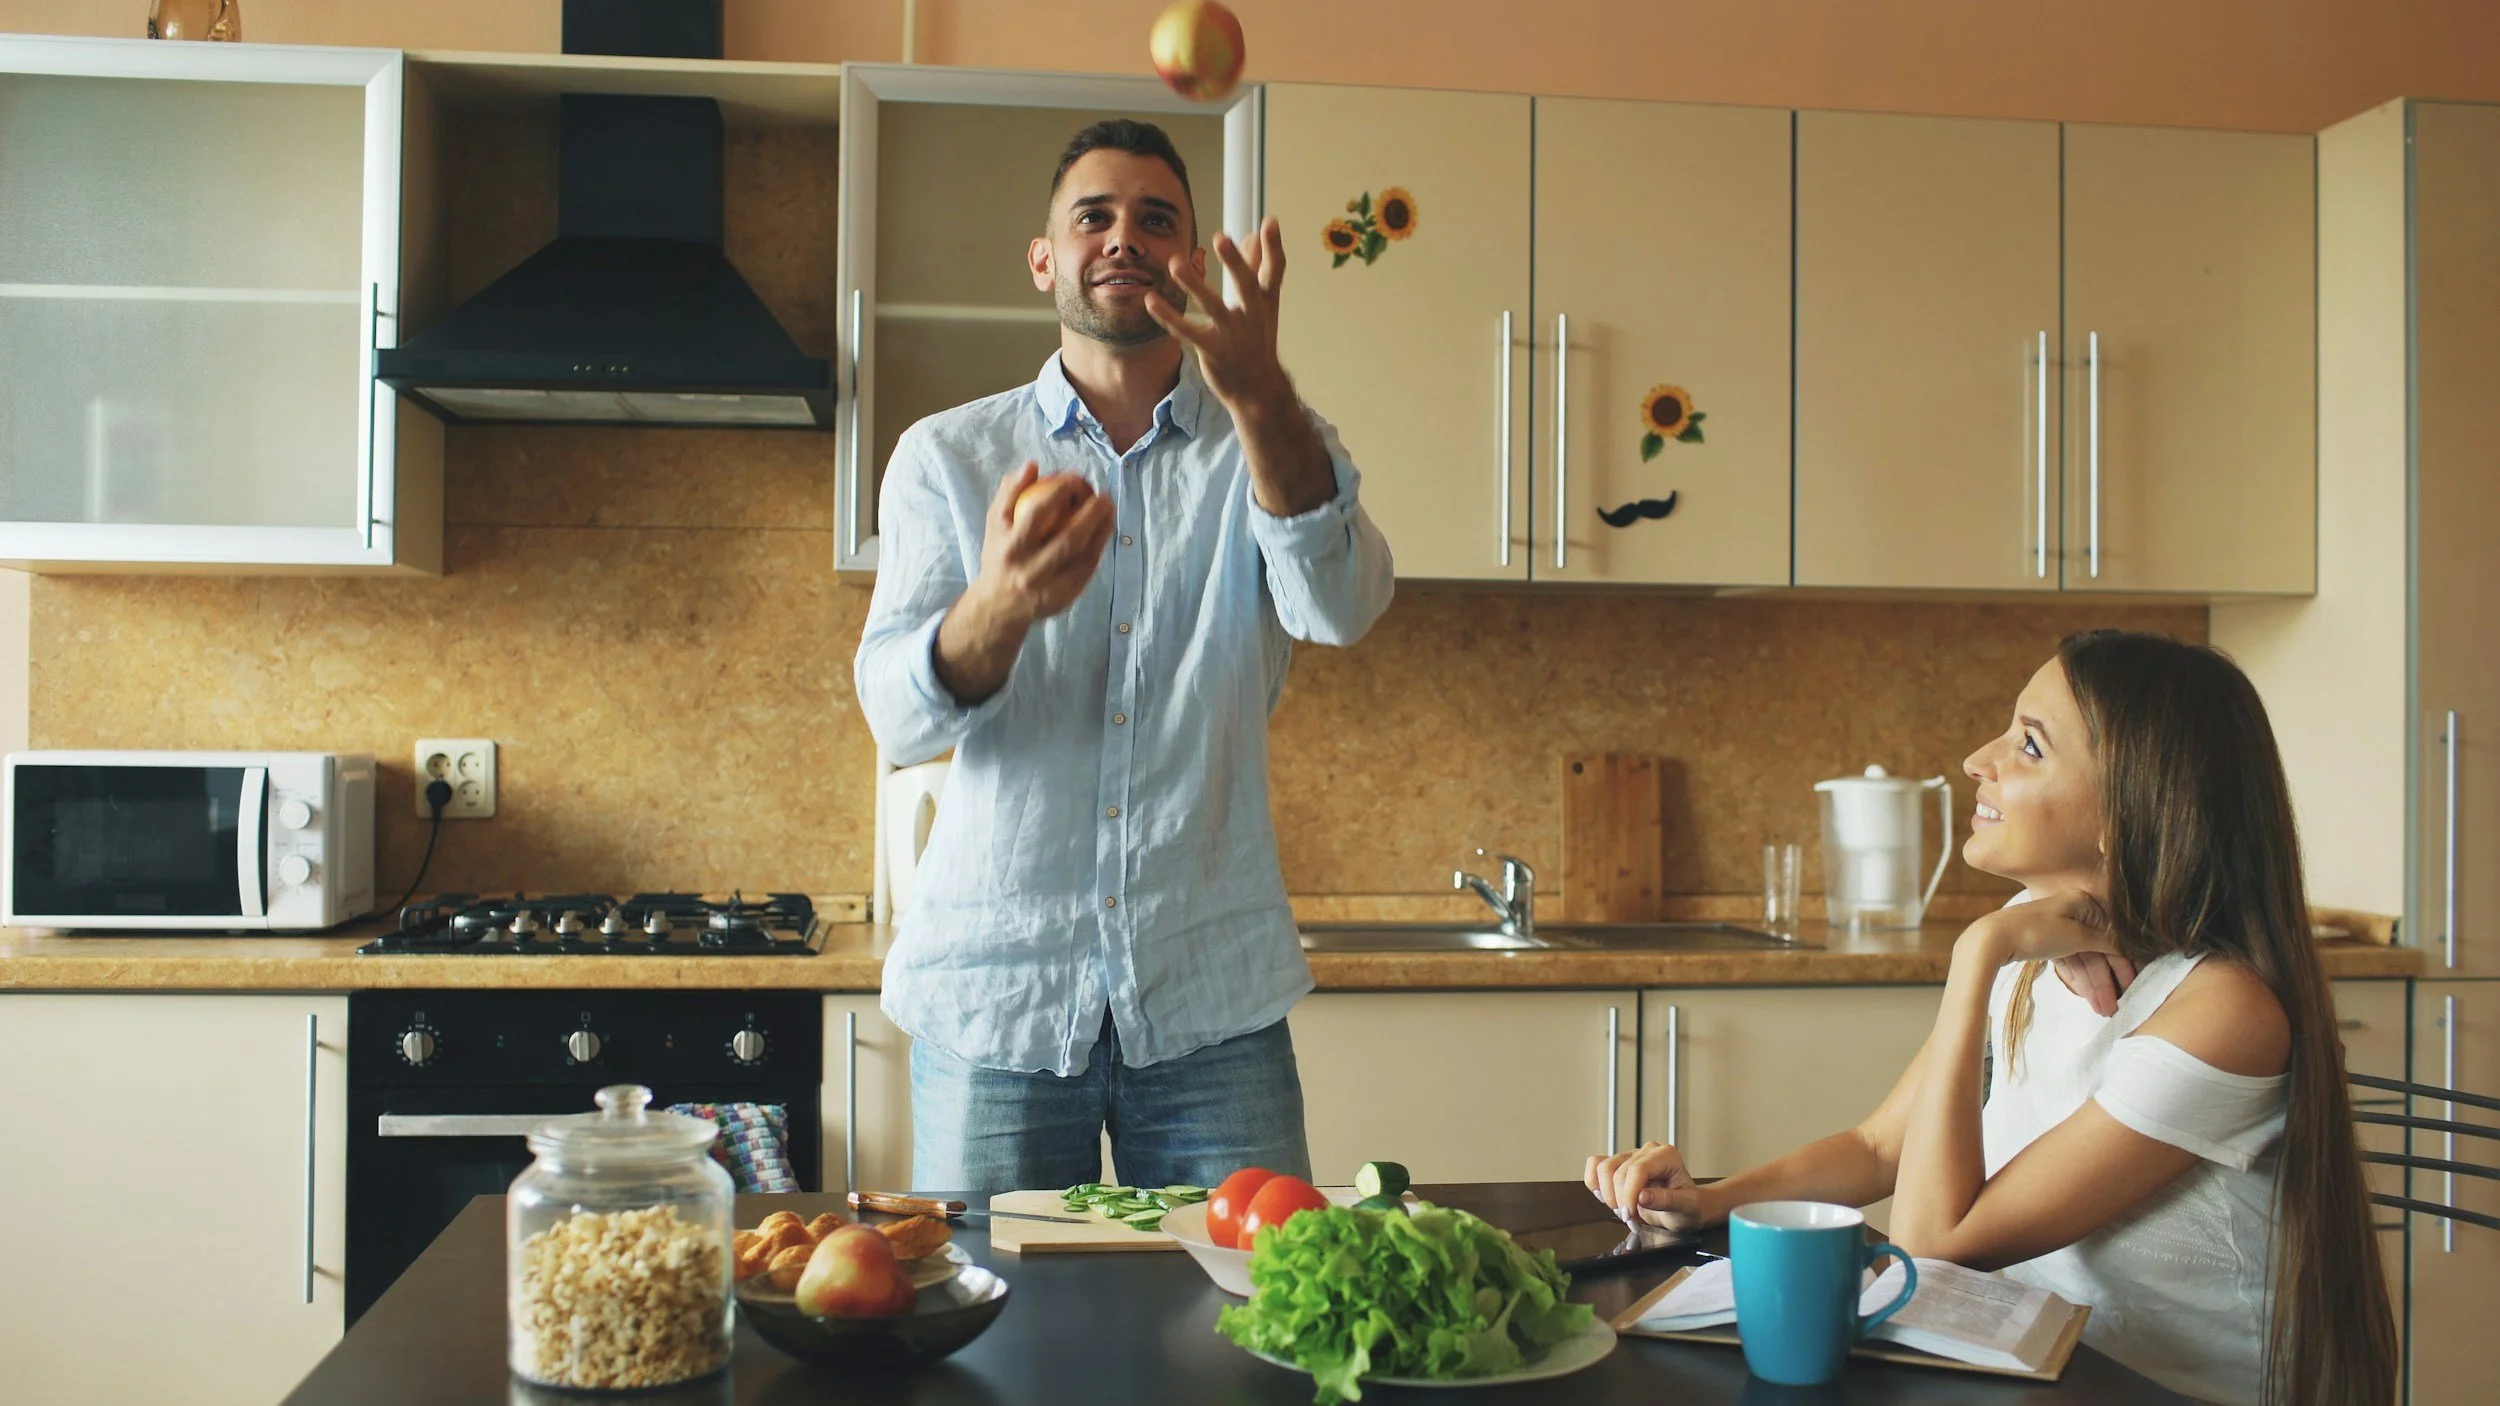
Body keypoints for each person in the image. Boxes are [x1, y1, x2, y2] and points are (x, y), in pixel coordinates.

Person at [1588, 630, 2396, 1406]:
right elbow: (1879, 1147)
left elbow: (1934, 1242)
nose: (1979, 759)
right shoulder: (2036, 940)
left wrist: (1978, 954)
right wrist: (1711, 1201)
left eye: (2029, 746)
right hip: (2041, 1369)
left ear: (2128, 810)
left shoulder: (2222, 1008)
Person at [853, 119, 1393, 1196]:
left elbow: (1339, 608)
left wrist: (1259, 394)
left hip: (1211, 998)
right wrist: (1000, 604)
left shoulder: (1275, 435)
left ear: (1190, 262)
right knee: (992, 1303)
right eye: (1092, 216)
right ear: (1044, 259)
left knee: (1248, 1296)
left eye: (1156, 219)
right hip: (997, 996)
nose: (1123, 237)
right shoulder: (947, 457)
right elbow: (898, 719)